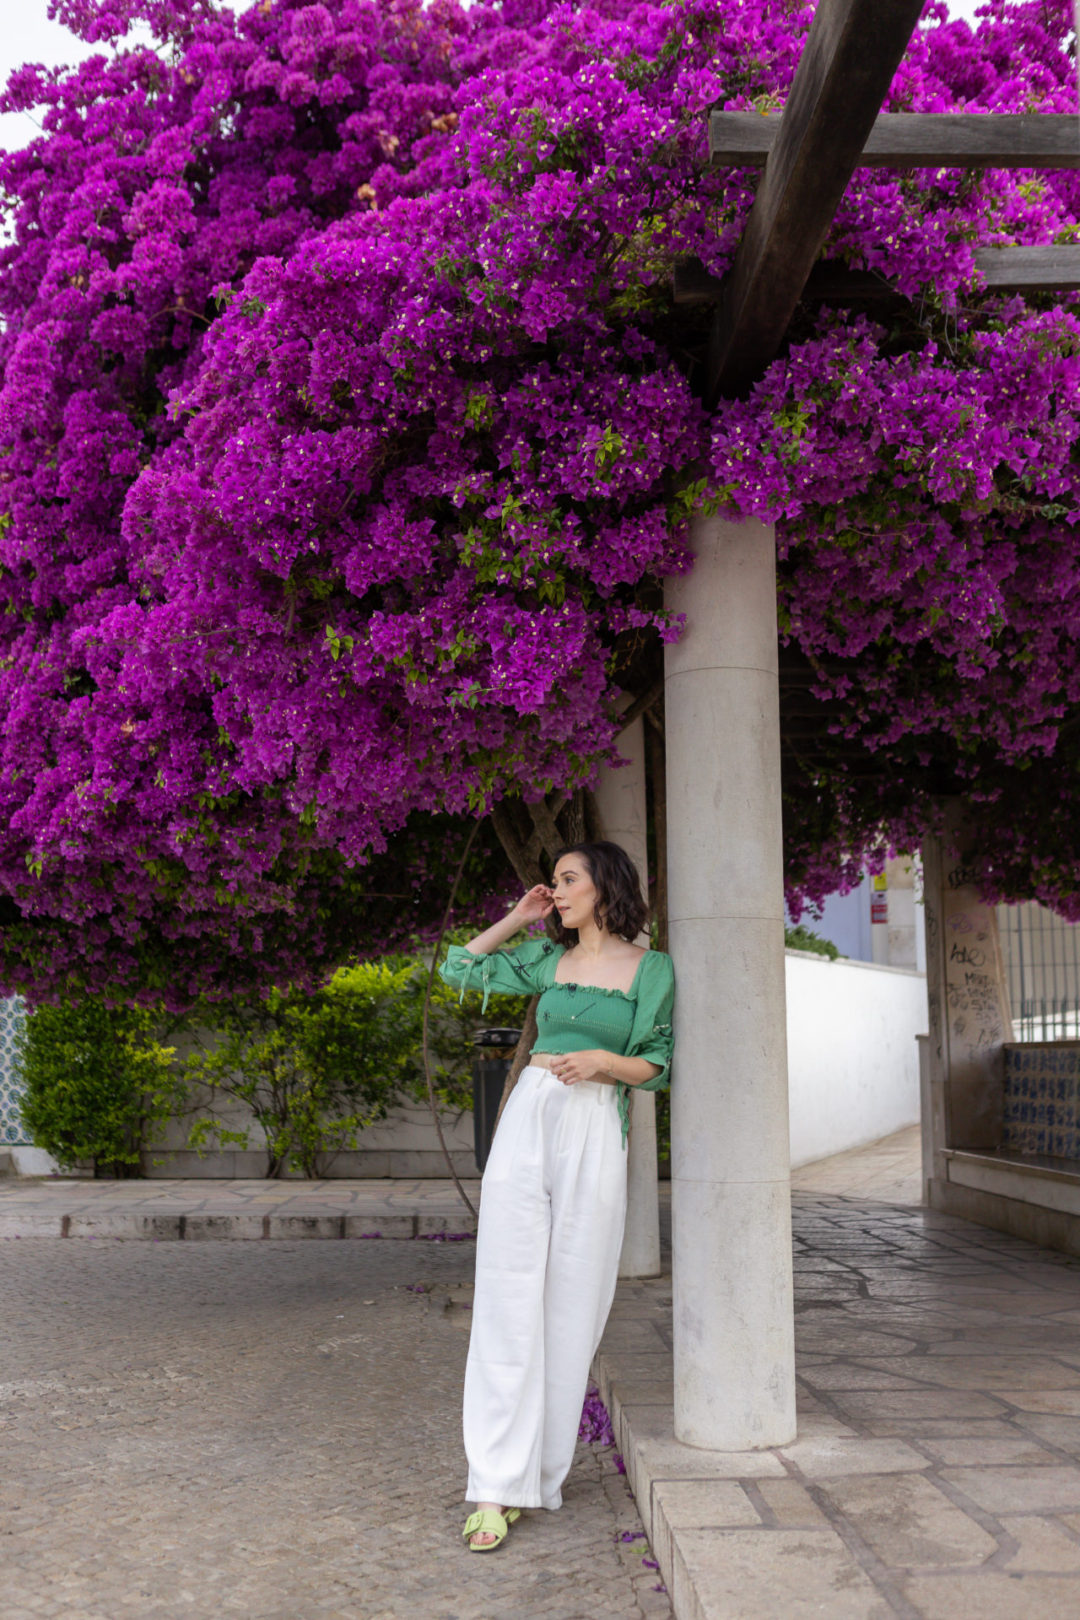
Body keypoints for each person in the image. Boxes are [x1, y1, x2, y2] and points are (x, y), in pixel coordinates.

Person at [439, 839, 675, 1552]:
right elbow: (460, 967)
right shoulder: (549, 960)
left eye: (568, 880)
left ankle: (536, 1475)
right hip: (531, 1116)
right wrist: (518, 915)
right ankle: (491, 1484)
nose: (557, 889)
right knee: (507, 1291)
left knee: (575, 1297)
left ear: (605, 886)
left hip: (595, 1125)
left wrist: (604, 1060)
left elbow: (658, 1062)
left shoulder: (651, 968)